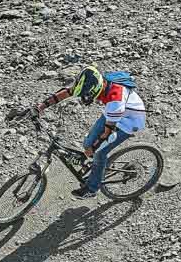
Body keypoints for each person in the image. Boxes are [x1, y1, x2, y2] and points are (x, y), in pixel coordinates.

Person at [26, 66, 146, 199]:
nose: (85, 98)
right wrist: (41, 106)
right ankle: (97, 167)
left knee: (99, 152)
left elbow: (107, 134)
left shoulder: (114, 103)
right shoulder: (93, 82)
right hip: (118, 113)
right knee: (88, 144)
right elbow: (68, 92)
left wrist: (94, 148)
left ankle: (92, 188)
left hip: (130, 121)